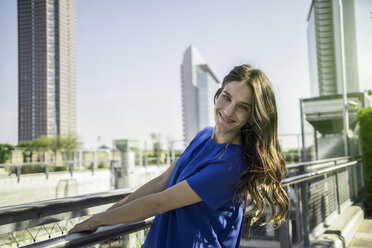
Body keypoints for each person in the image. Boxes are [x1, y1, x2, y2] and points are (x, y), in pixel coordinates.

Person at [69, 64, 290, 247]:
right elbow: (163, 181)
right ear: (218, 93)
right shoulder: (204, 135)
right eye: (226, 97)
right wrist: (110, 216)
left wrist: (97, 220)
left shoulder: (231, 165)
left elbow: (160, 202)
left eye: (242, 107)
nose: (229, 111)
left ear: (254, 116)